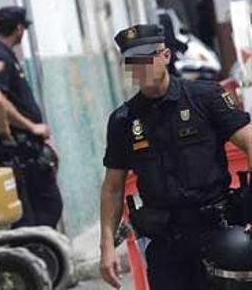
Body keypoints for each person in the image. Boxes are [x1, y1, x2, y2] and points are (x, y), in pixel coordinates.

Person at [99, 24, 252, 290]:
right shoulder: (123, 120)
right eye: (133, 61)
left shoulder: (205, 97)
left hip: (217, 232)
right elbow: (112, 187)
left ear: (166, 56)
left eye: (149, 57)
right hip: (166, 244)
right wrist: (107, 246)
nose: (142, 66)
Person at [0, 6, 63, 228]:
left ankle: (42, 254)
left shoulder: (5, 54)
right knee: (46, 206)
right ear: (19, 29)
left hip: (28, 144)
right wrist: (31, 127)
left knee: (43, 206)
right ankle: (39, 254)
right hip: (20, 146)